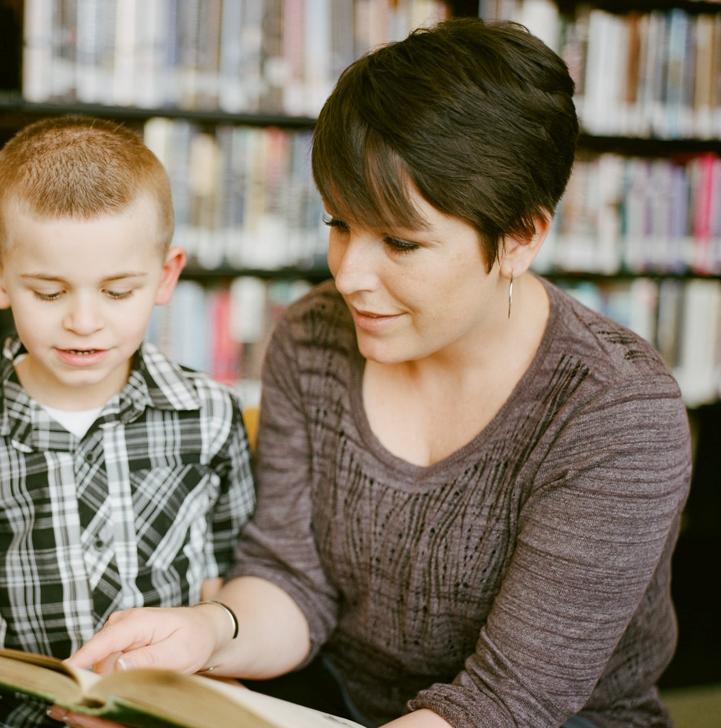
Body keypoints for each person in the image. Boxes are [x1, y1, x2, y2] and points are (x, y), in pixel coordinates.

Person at [60, 18, 692, 728]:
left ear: (519, 238)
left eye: (398, 240)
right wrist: (205, 635)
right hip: (335, 705)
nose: (350, 274)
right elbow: (291, 582)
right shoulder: (312, 336)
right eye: (339, 224)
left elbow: (509, 701)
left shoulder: (617, 410)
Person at [0, 115, 257, 728]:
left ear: (166, 276)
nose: (84, 321)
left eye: (118, 291)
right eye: (50, 293)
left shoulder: (209, 415)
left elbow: (231, 584)